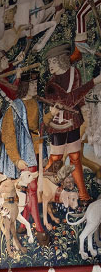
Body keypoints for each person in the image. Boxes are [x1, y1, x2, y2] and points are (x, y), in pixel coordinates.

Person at [42, 41, 101, 204]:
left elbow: (77, 96)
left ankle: (83, 195)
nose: (50, 65)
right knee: (56, 160)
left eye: (53, 61)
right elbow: (69, 99)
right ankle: (45, 188)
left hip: (73, 122)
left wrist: (83, 110)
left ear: (62, 59)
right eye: (49, 62)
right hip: (57, 126)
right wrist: (94, 82)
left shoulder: (75, 73)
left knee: (75, 158)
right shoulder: (50, 85)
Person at [0, 71, 50, 246]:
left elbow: (41, 127)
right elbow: (8, 134)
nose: (35, 87)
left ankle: (23, 223)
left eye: (37, 84)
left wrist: (54, 113)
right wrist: (16, 159)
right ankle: (39, 229)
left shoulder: (37, 104)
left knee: (31, 190)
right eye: (33, 84)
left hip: (36, 151)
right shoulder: (15, 106)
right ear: (25, 86)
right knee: (32, 188)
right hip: (23, 153)